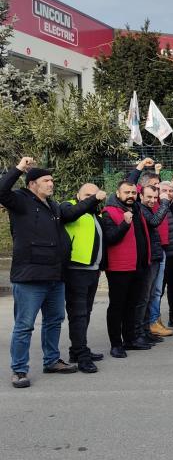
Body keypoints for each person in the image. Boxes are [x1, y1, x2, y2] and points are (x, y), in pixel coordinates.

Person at [2, 158, 100, 387]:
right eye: (46, 180)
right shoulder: (19, 201)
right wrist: (18, 169)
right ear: (32, 184)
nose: (51, 184)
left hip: (55, 276)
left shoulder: (53, 206)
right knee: (24, 325)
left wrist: (93, 199)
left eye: (52, 180)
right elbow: (1, 189)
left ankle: (52, 360)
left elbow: (74, 212)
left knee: (54, 320)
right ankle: (19, 370)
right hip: (30, 277)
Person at [101, 180, 153, 358]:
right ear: (117, 193)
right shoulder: (109, 211)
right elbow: (110, 238)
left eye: (133, 192)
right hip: (119, 268)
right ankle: (116, 344)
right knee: (117, 307)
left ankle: (130, 339)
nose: (130, 195)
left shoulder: (137, 209)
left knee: (132, 306)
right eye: (126, 192)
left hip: (138, 266)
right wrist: (124, 224)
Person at [61, 183, 109, 373]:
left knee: (85, 313)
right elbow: (69, 216)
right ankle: (81, 355)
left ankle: (78, 349)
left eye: (95, 195)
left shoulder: (94, 214)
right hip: (76, 270)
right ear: (78, 195)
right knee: (78, 314)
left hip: (92, 270)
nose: (92, 198)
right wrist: (93, 200)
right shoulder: (68, 206)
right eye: (87, 195)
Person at [137, 184, 173, 342]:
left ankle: (146, 330)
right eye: (149, 197)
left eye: (154, 197)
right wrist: (164, 203)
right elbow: (155, 221)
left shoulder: (148, 208)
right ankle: (141, 332)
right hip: (149, 259)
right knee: (145, 297)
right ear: (141, 196)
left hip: (156, 256)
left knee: (151, 295)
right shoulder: (141, 209)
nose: (152, 200)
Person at [158, 181, 173, 328]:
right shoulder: (156, 207)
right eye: (164, 190)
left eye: (171, 190)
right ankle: (154, 319)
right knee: (158, 290)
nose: (168, 193)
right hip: (162, 254)